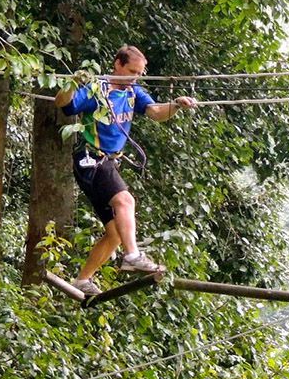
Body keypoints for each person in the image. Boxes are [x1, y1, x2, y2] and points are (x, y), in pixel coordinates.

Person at [56, 45, 197, 296]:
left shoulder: (133, 91)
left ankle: (82, 280)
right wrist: (71, 84)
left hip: (108, 161)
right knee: (125, 201)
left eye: (139, 73)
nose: (134, 77)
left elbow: (155, 113)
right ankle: (132, 256)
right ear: (118, 64)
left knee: (115, 233)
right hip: (91, 158)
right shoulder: (96, 88)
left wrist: (175, 105)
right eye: (131, 71)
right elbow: (64, 106)